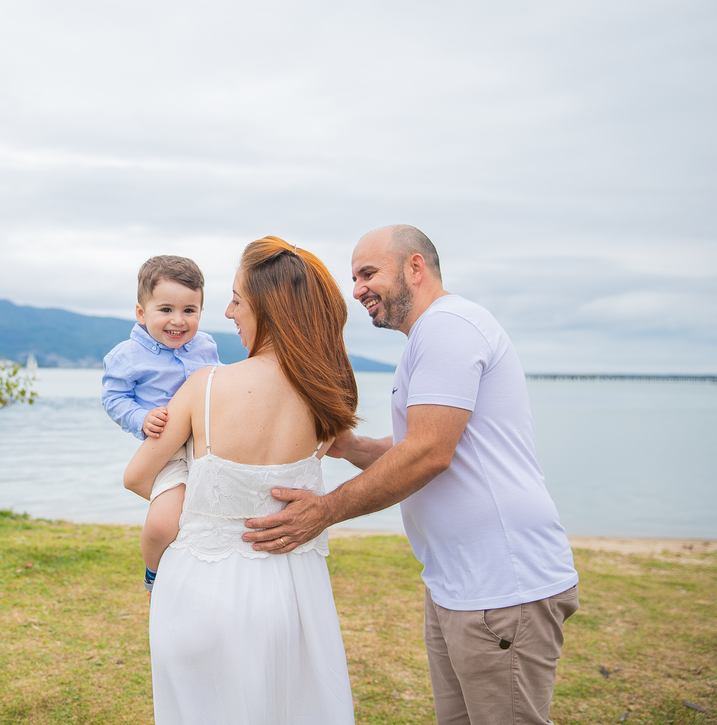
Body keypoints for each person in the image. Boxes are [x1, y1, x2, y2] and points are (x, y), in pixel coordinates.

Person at [243, 225, 579, 725]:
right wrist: (351, 446)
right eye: (354, 278)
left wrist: (324, 511)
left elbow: (428, 453)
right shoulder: (429, 335)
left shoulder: (449, 327)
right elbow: (418, 446)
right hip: (456, 584)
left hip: (501, 585)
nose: (358, 289)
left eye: (368, 273)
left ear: (415, 267)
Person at [124, 237, 357, 725]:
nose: (228, 313)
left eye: (236, 300)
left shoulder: (205, 386)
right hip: (296, 596)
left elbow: (137, 476)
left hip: (201, 590)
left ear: (268, 309)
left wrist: (193, 492)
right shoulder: (329, 395)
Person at [102, 255, 221, 593]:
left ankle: (203, 568)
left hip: (208, 442)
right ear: (141, 313)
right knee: (162, 524)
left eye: (189, 310)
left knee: (209, 511)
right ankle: (154, 573)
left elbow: (217, 381)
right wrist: (141, 418)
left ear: (200, 311)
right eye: (166, 309)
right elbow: (114, 398)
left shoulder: (205, 345)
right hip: (167, 449)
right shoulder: (126, 355)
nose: (178, 321)